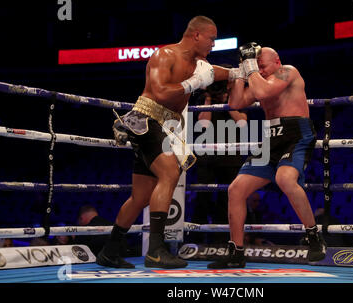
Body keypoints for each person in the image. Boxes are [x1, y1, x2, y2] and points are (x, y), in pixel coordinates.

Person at [97, 16, 232, 269]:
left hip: (168, 126)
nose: (214, 44)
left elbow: (216, 73)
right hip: (147, 118)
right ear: (196, 35)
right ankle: (157, 250)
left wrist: (239, 71)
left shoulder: (200, 62)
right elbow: (160, 92)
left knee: (140, 196)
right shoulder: (165, 55)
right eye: (211, 38)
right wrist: (193, 83)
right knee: (170, 172)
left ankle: (110, 250)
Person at [207, 44, 326, 269]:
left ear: (277, 62)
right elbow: (235, 103)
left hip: (296, 133)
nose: (259, 70)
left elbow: (263, 92)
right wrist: (239, 73)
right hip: (270, 137)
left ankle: (314, 238)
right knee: (236, 190)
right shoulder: (258, 79)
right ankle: (236, 252)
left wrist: (250, 67)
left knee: (285, 179)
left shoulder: (288, 71)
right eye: (256, 65)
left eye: (262, 65)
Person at [191, 73, 247, 244]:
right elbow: (203, 125)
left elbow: (242, 123)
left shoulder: (238, 98)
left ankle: (223, 241)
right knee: (202, 198)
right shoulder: (204, 99)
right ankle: (196, 240)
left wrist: (228, 102)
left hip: (231, 157)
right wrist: (208, 98)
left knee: (227, 199)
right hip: (207, 156)